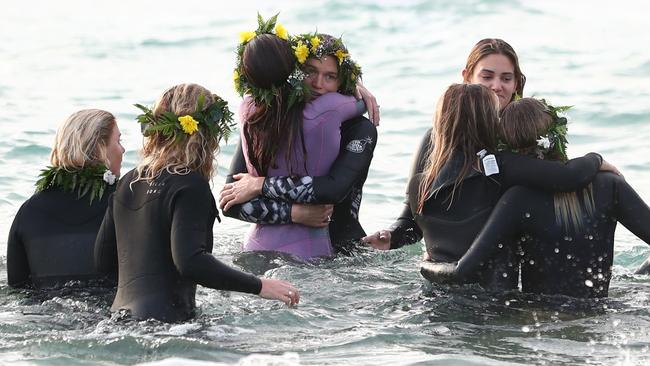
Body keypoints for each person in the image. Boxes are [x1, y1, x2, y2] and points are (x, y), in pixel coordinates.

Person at [364, 84, 615, 289]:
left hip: (437, 296)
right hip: (495, 303)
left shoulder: (420, 183)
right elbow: (570, 177)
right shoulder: (500, 168)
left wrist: (400, 245)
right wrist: (596, 159)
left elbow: (412, 230)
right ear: (488, 123)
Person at [93, 83, 299, 322]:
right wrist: (260, 285)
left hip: (120, 319)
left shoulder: (128, 180)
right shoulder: (190, 186)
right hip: (168, 323)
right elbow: (191, 262)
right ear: (205, 135)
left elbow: (102, 261)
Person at [420, 98, 649, 298]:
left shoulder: (517, 200)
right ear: (558, 135)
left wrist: (428, 267)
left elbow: (464, 271)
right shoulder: (611, 186)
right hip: (600, 313)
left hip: (541, 319)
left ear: (508, 146)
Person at [220, 32, 377, 254]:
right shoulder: (266, 122)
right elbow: (231, 202)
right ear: (292, 72)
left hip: (342, 248)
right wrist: (293, 212)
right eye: (309, 71)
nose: (318, 84)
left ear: (344, 83)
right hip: (307, 253)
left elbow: (334, 189)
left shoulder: (360, 129)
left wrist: (260, 184)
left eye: (330, 76)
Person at [369, 39, 526, 248]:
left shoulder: (528, 137)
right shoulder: (437, 140)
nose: (496, 86)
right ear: (467, 77)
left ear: (516, 84)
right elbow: (413, 221)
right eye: (486, 77)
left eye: (506, 78)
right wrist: (391, 236)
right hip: (452, 262)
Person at [7, 109, 124, 289]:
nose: (123, 149)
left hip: (43, 313)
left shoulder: (29, 210)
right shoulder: (123, 203)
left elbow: (17, 284)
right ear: (101, 148)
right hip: (106, 310)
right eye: (118, 141)